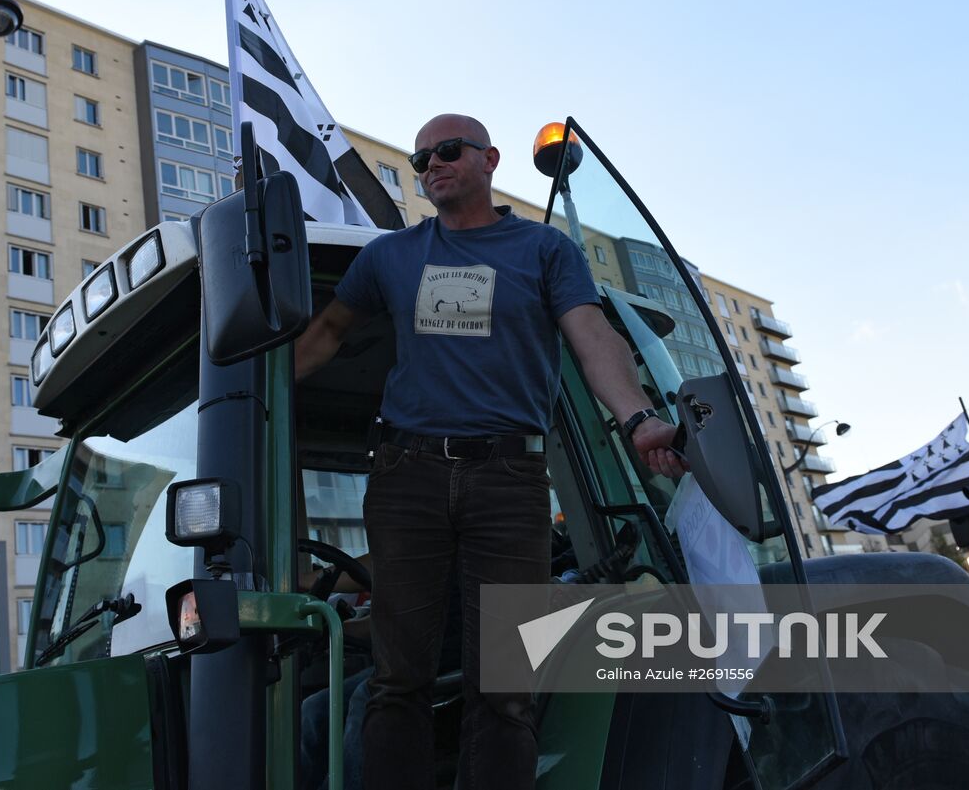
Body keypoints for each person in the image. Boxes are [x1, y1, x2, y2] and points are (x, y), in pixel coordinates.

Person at [293, 113, 686, 790]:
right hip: (406, 474)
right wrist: (251, 393)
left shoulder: (542, 250)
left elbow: (591, 335)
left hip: (508, 479)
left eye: (447, 151)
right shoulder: (391, 255)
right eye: (421, 160)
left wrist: (640, 419)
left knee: (504, 687)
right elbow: (328, 329)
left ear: (489, 159)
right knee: (396, 681)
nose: (432, 165)